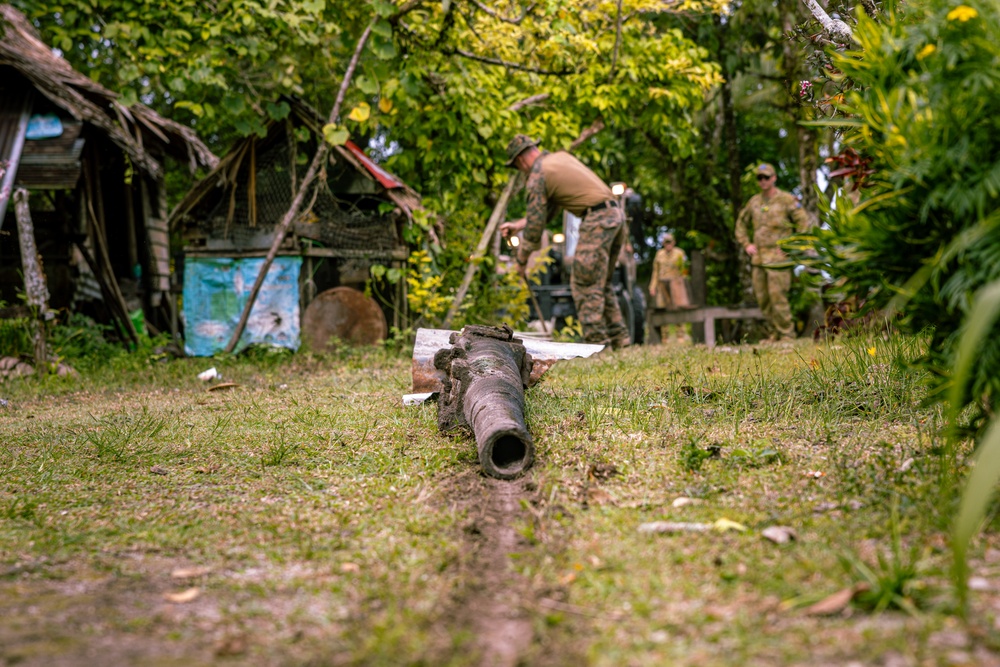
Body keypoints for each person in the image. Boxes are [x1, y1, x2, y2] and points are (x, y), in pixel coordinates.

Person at [499, 135, 630, 349]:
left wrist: (521, 262)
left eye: (517, 167)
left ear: (520, 160)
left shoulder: (537, 175)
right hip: (615, 215)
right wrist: (519, 225)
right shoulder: (559, 159)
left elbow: (535, 229)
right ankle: (620, 340)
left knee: (584, 283)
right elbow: (547, 210)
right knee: (601, 283)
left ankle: (597, 346)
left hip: (597, 220)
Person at [734, 163, 811, 341]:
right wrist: (746, 244)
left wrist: (792, 246)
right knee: (763, 298)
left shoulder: (786, 199)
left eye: (766, 177)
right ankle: (774, 333)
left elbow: (803, 222)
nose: (763, 181)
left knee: (778, 297)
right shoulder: (754, 201)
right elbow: (741, 224)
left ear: (774, 178)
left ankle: (787, 334)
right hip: (759, 257)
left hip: (778, 258)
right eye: (760, 178)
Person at [648, 231, 691, 343]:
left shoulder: (679, 253)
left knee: (678, 309)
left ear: (674, 242)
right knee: (663, 309)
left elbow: (684, 270)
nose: (668, 245)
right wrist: (652, 286)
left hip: (675, 283)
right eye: (666, 243)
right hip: (662, 284)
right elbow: (655, 272)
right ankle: (664, 336)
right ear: (663, 243)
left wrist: (682, 285)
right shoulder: (659, 254)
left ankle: (680, 335)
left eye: (670, 242)